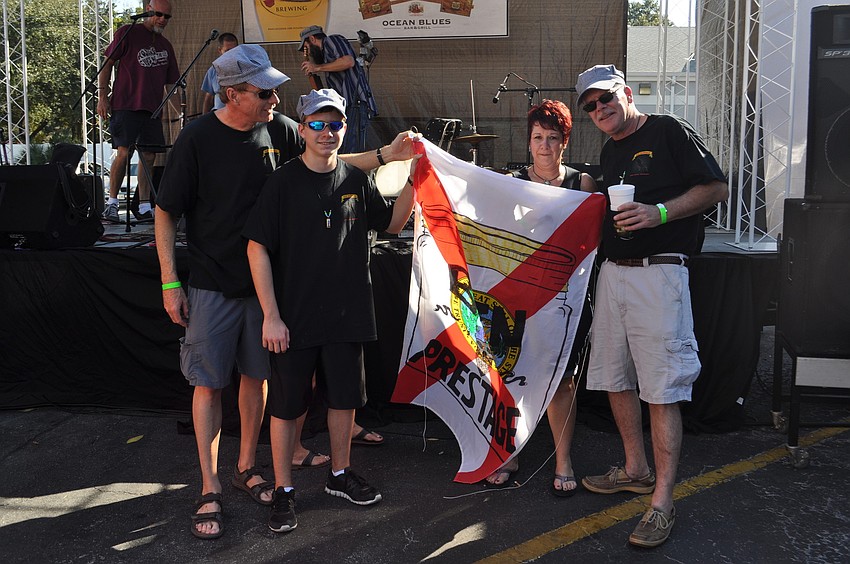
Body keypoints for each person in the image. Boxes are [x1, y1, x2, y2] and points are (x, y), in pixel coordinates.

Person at [154, 46, 415, 540]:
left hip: (271, 288)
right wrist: (170, 282)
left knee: (259, 381)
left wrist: (390, 157)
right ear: (232, 94)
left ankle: (249, 468)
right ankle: (209, 486)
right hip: (215, 282)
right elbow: (166, 210)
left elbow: (327, 159)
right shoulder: (197, 138)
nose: (276, 97)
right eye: (265, 91)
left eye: (275, 90)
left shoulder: (277, 129)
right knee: (209, 383)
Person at [243, 88, 416, 534]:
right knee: (285, 407)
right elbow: (256, 248)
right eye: (317, 124)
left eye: (335, 124)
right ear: (301, 130)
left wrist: (417, 180)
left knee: (344, 401)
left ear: (344, 128)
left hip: (347, 314)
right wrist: (271, 316)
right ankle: (284, 490)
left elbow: (392, 224)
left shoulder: (356, 180)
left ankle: (339, 475)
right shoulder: (282, 182)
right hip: (294, 319)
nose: (327, 132)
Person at [574, 64, 728, 548]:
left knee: (660, 390)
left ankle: (662, 500)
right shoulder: (610, 148)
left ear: (627, 92)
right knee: (615, 379)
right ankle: (636, 469)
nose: (600, 109)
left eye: (605, 98)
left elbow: (717, 188)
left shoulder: (668, 130)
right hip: (615, 277)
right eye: (591, 106)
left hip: (660, 273)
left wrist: (658, 212)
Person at [483, 99, 597, 495]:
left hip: (564, 299)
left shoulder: (581, 184)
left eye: (553, 138)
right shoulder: (512, 180)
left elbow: (589, 243)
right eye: (538, 138)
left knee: (561, 381)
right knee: (508, 372)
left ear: (565, 142)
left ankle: (562, 460)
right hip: (520, 295)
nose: (544, 146)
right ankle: (508, 453)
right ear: (528, 142)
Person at [97, 0, 179, 223]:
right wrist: (102, 97)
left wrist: (178, 110)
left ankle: (144, 205)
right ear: (147, 12)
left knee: (150, 155)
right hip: (126, 104)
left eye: (167, 17)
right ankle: (112, 204)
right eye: (159, 15)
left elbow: (171, 83)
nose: (162, 20)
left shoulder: (166, 46)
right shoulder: (128, 32)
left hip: (152, 110)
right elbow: (107, 65)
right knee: (125, 151)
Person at [298, 25, 378, 154]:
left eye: (306, 47)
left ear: (312, 39)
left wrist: (317, 68)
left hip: (355, 102)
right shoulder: (326, 59)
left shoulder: (331, 40)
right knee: (347, 147)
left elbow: (348, 61)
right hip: (347, 106)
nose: (307, 52)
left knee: (352, 149)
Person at [201, 33, 239, 114]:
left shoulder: (246, 69)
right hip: (218, 117)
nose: (231, 54)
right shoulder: (213, 71)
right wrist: (204, 119)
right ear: (220, 50)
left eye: (234, 50)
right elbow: (208, 97)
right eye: (227, 51)